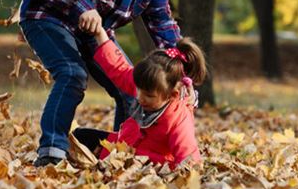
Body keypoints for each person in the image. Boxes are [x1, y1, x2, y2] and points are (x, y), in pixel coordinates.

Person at [18, 0, 198, 166]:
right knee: (72, 74)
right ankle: (51, 153)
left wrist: (182, 76)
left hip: (94, 32)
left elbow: (162, 24)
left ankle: (119, 157)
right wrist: (81, 6)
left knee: (134, 89)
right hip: (48, 16)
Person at [72, 25, 207, 168]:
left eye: (149, 95)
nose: (140, 97)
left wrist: (185, 175)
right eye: (138, 90)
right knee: (79, 136)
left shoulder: (178, 117)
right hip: (119, 147)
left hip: (146, 165)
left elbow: (188, 155)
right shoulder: (146, 84)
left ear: (171, 95)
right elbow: (119, 68)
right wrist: (100, 34)